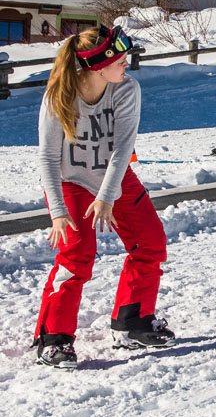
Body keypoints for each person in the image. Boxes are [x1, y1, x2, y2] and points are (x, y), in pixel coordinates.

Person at [34, 25, 174, 371]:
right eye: (120, 58)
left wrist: (108, 197)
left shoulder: (126, 89)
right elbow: (48, 159)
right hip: (72, 182)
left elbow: (123, 149)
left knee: (151, 242)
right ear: (97, 64)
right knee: (77, 254)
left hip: (115, 177)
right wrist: (58, 211)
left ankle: (133, 322)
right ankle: (53, 340)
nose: (127, 63)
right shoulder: (59, 96)